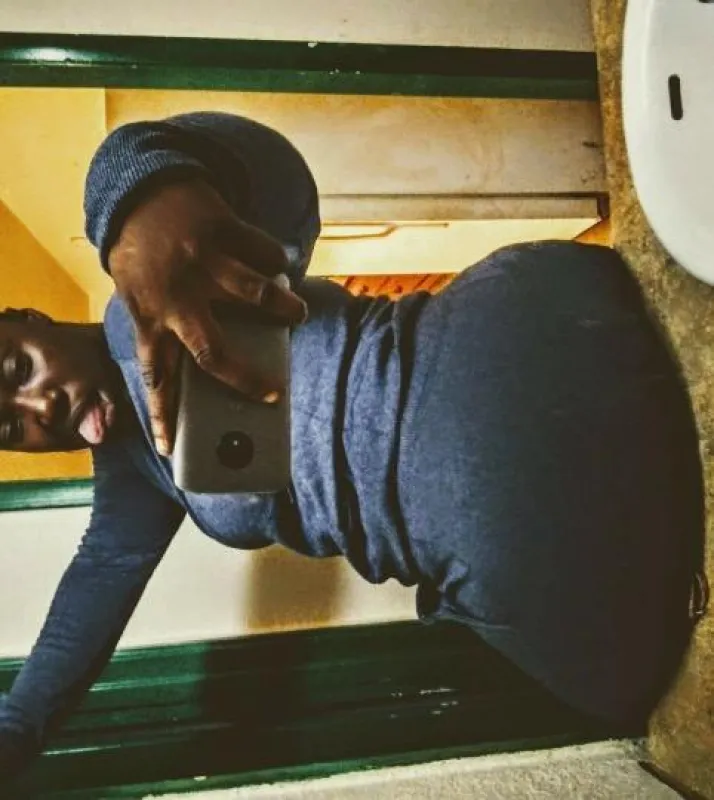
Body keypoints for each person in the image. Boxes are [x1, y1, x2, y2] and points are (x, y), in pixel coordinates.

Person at [0, 112, 705, 781]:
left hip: (508, 346)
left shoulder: (178, 271)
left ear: (32, 319)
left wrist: (133, 193)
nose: (42, 408)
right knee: (615, 684)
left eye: (16, 370)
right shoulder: (134, 483)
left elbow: (281, 183)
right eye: (9, 428)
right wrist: (16, 732)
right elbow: (84, 606)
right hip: (498, 539)